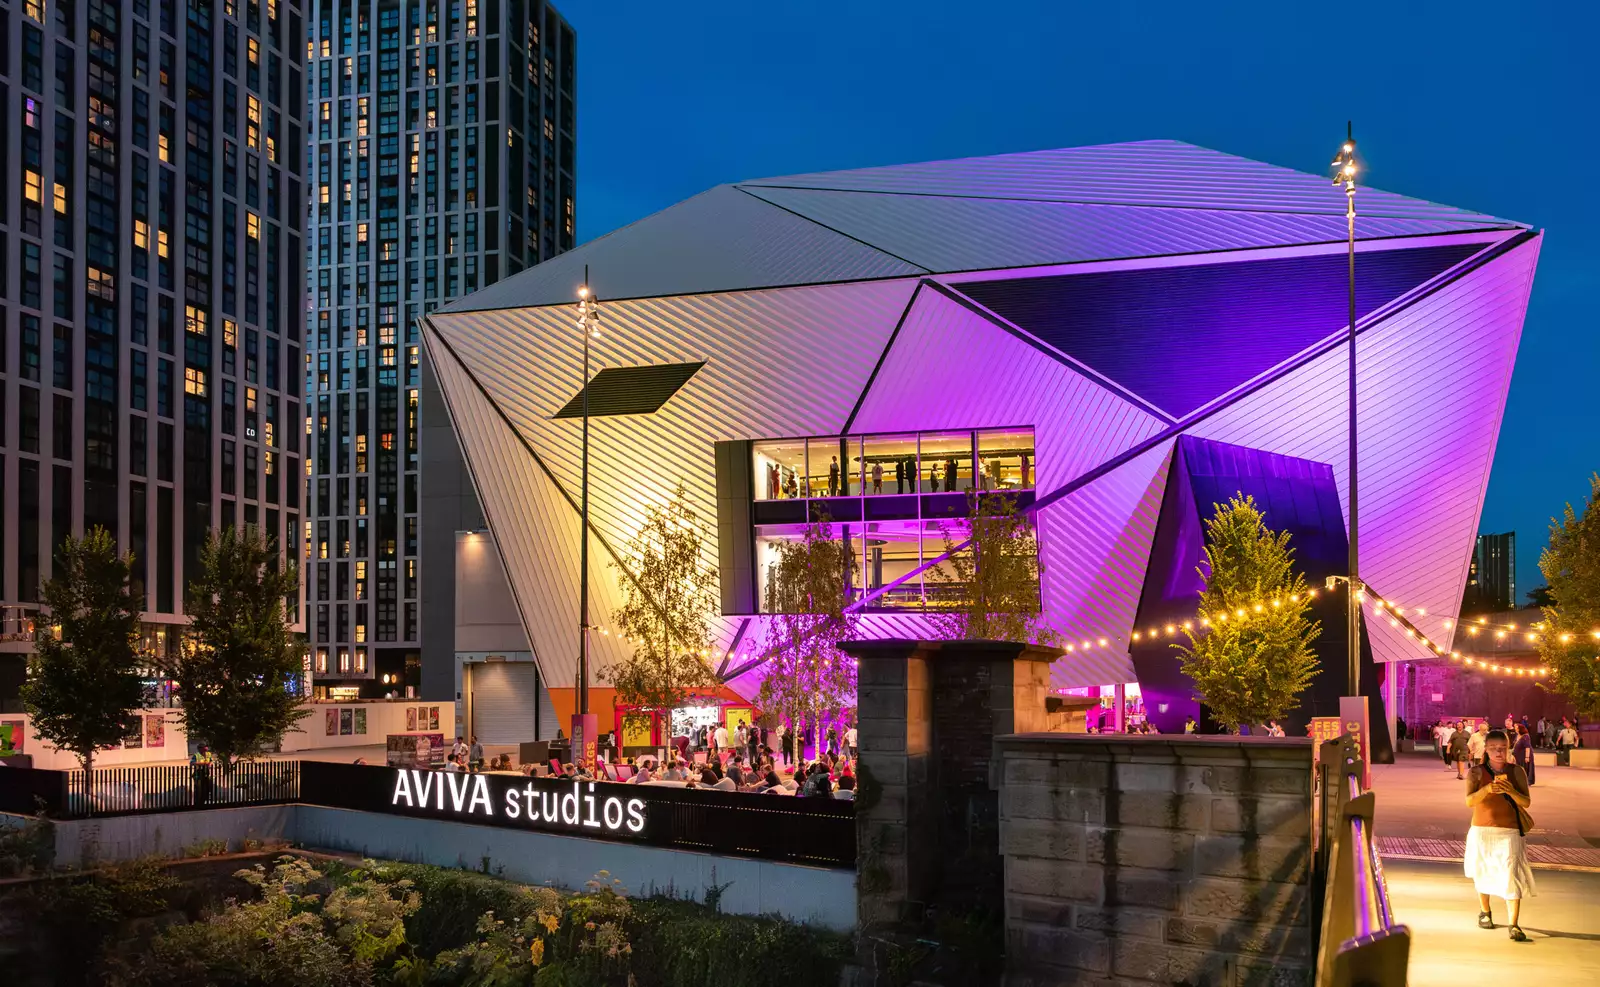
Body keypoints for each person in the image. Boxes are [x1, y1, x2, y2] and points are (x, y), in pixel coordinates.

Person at [1464, 729, 1534, 941]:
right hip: (1482, 829)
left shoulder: (1517, 771)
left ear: (1508, 749)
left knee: (1511, 874)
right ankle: (1485, 912)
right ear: (1486, 750)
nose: (1498, 753)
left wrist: (1510, 790)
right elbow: (1469, 801)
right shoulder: (1476, 772)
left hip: (1510, 830)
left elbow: (1526, 802)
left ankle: (1514, 924)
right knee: (1482, 870)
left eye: (1503, 749)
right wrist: (1487, 789)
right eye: (1494, 749)